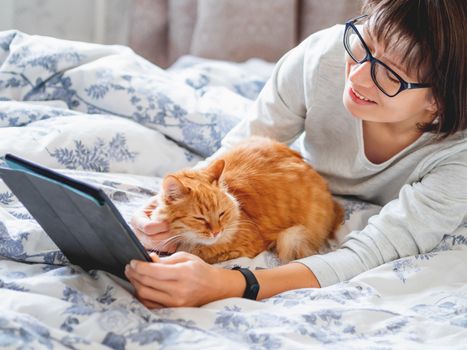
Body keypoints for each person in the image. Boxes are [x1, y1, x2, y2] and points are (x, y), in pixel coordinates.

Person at [125, 0, 467, 308]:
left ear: (438, 100)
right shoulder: (325, 55)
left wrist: (228, 284)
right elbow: (244, 146)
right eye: (366, 43)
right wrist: (161, 209)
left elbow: (370, 251)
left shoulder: (457, 157)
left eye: (390, 75)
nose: (358, 76)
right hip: (297, 183)